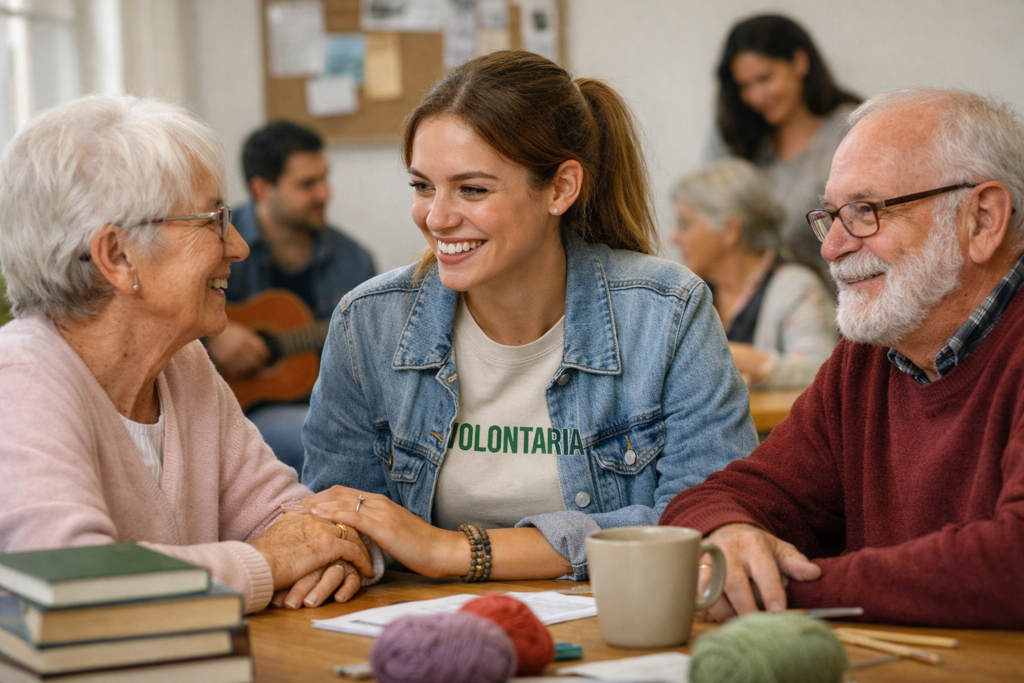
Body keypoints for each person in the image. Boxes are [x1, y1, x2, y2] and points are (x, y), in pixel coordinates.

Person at [289, 50, 758, 583]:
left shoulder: (667, 311)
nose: (436, 217)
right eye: (422, 186)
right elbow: (340, 526)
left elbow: (703, 522)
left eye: (472, 189)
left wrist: (455, 551)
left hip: (613, 617)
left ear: (560, 188)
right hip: (423, 621)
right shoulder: (366, 324)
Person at [0, 96, 383, 615]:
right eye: (213, 220)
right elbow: (76, 582)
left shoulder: (185, 365)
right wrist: (265, 564)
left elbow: (296, 521)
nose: (238, 246)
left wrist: (327, 550)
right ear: (118, 256)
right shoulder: (19, 380)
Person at [662, 88, 1024, 628]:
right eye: (831, 216)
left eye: (865, 211)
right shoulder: (866, 360)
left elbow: (1012, 564)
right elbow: (723, 497)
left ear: (983, 219)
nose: (831, 247)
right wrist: (730, 538)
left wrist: (776, 590)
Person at [204, 122, 376, 473]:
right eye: (307, 184)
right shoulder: (216, 244)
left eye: (324, 178)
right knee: (317, 435)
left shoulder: (354, 260)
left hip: (328, 406)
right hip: (232, 407)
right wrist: (213, 334)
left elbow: (372, 352)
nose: (324, 194)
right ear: (262, 189)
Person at [705, 14, 860, 281]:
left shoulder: (849, 128)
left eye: (765, 79)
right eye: (744, 86)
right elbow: (706, 208)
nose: (756, 96)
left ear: (800, 62)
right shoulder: (736, 134)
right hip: (753, 294)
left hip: (838, 291)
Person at [671, 158, 837, 388]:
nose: (674, 237)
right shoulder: (691, 293)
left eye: (685, 224)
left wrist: (745, 359)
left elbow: (822, 371)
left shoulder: (797, 287)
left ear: (730, 229)